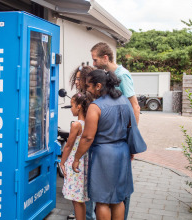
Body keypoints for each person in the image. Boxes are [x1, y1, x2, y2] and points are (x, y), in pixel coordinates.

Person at [72, 69, 137, 220]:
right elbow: (130, 127)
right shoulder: (124, 101)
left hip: (103, 155)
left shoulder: (96, 106)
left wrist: (76, 158)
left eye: (88, 86)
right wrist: (131, 149)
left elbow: (88, 137)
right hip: (122, 152)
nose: (87, 89)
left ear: (99, 86)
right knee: (118, 199)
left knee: (102, 201)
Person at [90, 42, 140, 219]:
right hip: (113, 143)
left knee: (115, 193)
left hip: (117, 141)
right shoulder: (109, 76)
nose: (93, 63)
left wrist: (130, 141)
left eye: (95, 60)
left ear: (105, 58)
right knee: (114, 192)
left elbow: (134, 106)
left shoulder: (122, 75)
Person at [60, 92, 94, 220]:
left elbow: (68, 146)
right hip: (84, 163)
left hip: (75, 164)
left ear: (79, 106)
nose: (71, 109)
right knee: (81, 199)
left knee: (76, 200)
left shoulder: (76, 124)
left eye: (72, 106)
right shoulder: (91, 124)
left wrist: (62, 162)